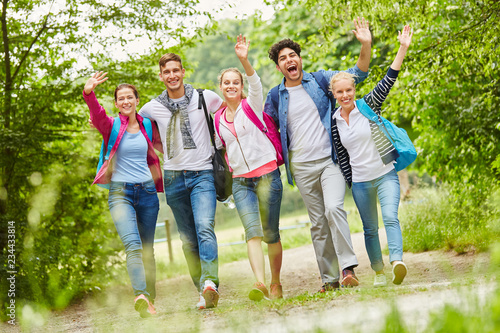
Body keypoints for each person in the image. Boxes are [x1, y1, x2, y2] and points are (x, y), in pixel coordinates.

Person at [264, 17, 372, 292]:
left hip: (329, 161)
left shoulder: (321, 80)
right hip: (300, 167)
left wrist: (365, 45)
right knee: (317, 224)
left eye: (293, 55)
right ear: (279, 67)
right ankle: (330, 279)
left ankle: (347, 267)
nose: (290, 60)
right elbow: (265, 128)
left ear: (299, 59)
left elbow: (356, 75)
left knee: (334, 208)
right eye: (283, 58)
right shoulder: (276, 96)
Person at [138, 53, 224, 309]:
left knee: (204, 227)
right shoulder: (152, 107)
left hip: (203, 174)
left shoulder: (205, 97)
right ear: (161, 75)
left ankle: (210, 282)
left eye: (176, 70)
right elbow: (130, 124)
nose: (172, 75)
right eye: (167, 72)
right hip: (173, 178)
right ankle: (202, 291)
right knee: (187, 238)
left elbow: (231, 110)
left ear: (183, 71)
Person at [330, 25, 413, 287]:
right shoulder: (334, 122)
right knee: (369, 229)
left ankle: (397, 262)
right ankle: (378, 273)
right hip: (361, 183)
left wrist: (403, 48)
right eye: (340, 92)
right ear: (334, 94)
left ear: (354, 90)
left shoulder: (368, 106)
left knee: (390, 217)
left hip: (385, 174)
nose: (345, 95)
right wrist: (350, 181)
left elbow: (389, 78)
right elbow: (341, 155)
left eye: (349, 90)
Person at [83, 72, 163, 317]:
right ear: (116, 103)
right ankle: (140, 294)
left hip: (148, 192)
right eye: (121, 98)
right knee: (133, 245)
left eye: (130, 97)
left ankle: (149, 299)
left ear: (137, 100)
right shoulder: (111, 125)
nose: (126, 101)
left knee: (147, 249)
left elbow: (165, 144)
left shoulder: (148, 125)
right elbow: (96, 115)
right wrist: (89, 93)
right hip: (120, 193)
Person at [215, 35, 284, 301]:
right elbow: (218, 147)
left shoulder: (251, 105)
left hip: (267, 175)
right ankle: (260, 283)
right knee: (252, 232)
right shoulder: (218, 119)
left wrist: (243, 60)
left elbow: (257, 84)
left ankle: (276, 282)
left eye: (236, 82)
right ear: (220, 87)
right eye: (226, 83)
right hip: (241, 181)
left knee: (271, 233)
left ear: (241, 86)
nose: (231, 86)